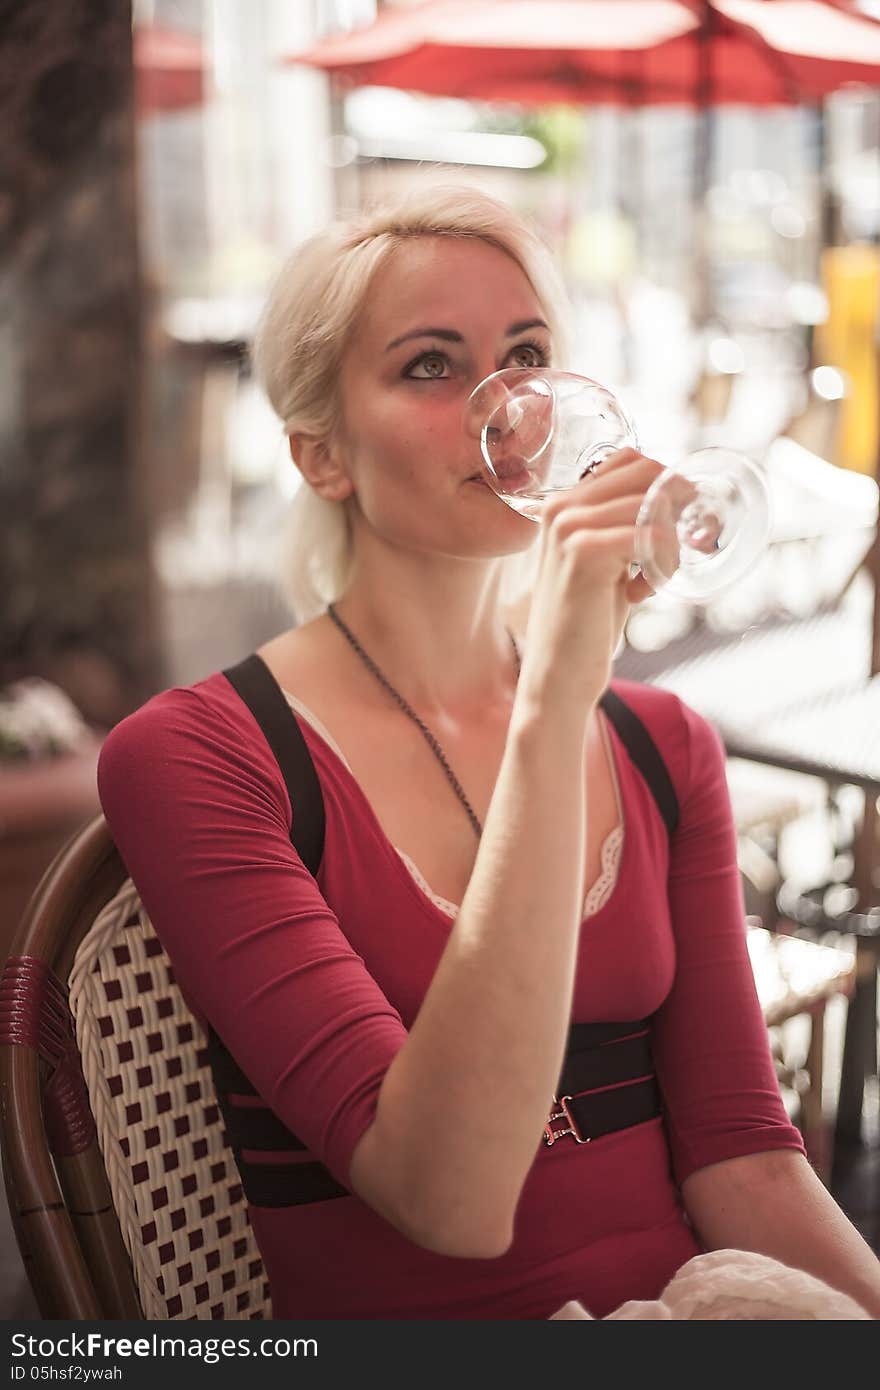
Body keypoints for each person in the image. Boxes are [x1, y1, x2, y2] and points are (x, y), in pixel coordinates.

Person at [97, 183, 880, 1321]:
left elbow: (747, 1161)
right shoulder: (200, 757)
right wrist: (561, 688)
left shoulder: (665, 745)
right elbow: (450, 1199)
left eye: (526, 353)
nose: (509, 408)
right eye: (431, 365)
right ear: (323, 456)